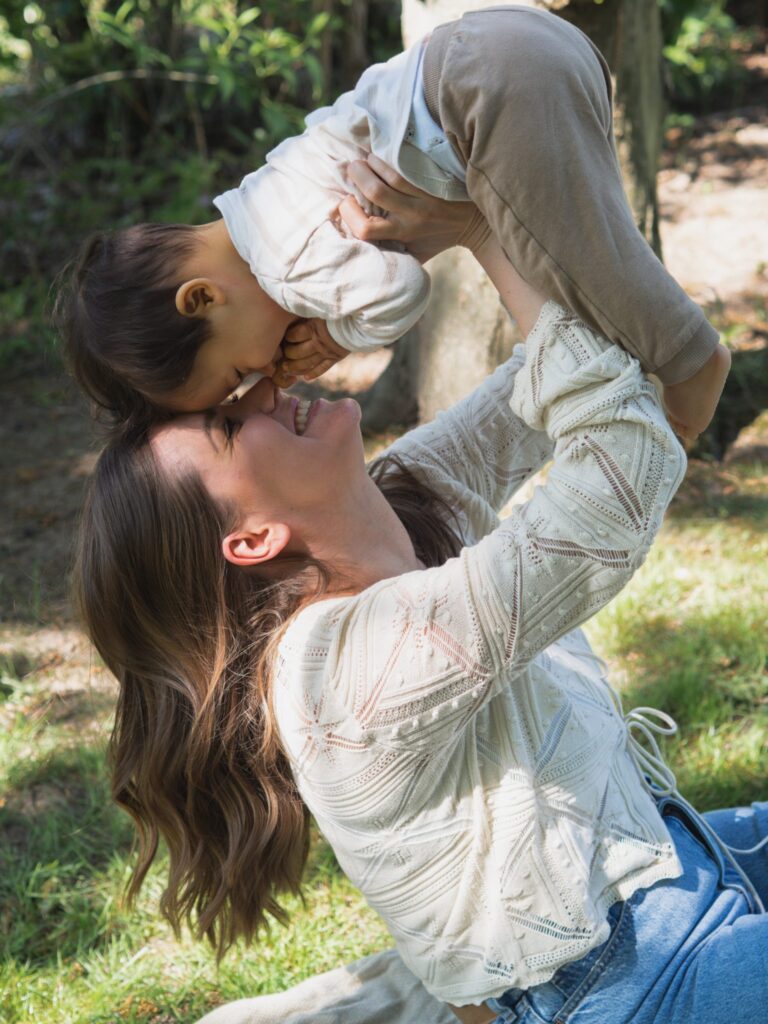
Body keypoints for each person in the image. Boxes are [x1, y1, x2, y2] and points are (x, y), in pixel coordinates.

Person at [74, 175, 767, 1023]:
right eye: (228, 422)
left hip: (665, 858)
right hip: (632, 982)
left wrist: (432, 231)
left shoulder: (394, 507)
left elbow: (552, 370)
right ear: (252, 540)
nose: (257, 388)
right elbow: (610, 496)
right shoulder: (338, 679)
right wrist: (486, 234)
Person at [56, 6, 730, 439]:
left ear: (201, 297)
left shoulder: (287, 265)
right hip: (508, 44)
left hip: (482, 92)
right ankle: (632, 379)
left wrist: (339, 333)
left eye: (236, 368)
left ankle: (691, 358)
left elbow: (402, 291)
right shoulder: (258, 198)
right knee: (572, 242)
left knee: (581, 258)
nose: (265, 374)